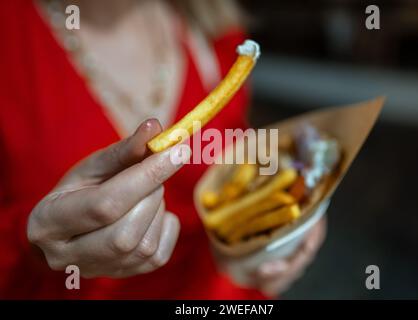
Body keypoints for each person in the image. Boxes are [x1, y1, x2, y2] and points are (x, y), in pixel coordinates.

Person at [0, 0, 326, 299]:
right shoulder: (13, 33)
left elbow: (236, 164)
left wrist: (280, 222)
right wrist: (30, 242)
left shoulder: (215, 31)